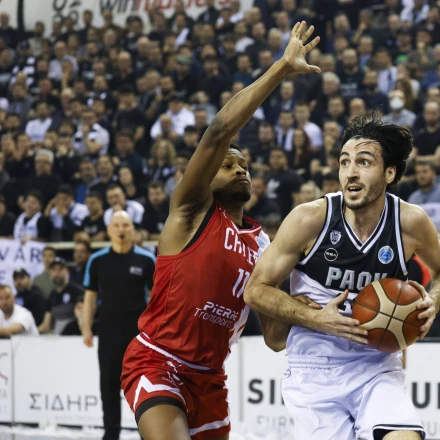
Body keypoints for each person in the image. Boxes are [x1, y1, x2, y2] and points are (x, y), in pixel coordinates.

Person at [120, 21, 321, 440]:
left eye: (244, 165)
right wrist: (282, 68)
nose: (240, 169)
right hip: (158, 359)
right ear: (207, 176)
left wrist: (311, 312)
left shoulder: (265, 245)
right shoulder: (191, 211)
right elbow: (218, 132)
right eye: (228, 165)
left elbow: (274, 338)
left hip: (210, 378)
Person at [244, 116, 440, 440]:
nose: (350, 172)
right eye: (344, 162)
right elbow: (255, 290)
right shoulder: (310, 219)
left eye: (364, 162)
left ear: (390, 173)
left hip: (376, 364)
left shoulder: (410, 222)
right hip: (314, 366)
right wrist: (314, 318)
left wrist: (433, 301)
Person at [82, 211, 156, 440]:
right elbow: (90, 297)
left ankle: (147, 433)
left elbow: (156, 297)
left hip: (139, 335)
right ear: (109, 230)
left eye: (125, 225)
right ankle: (111, 433)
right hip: (108, 332)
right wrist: (86, 328)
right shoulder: (97, 260)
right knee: (108, 386)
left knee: (143, 386)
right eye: (116, 225)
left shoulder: (146, 260)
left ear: (132, 229)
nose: (121, 229)